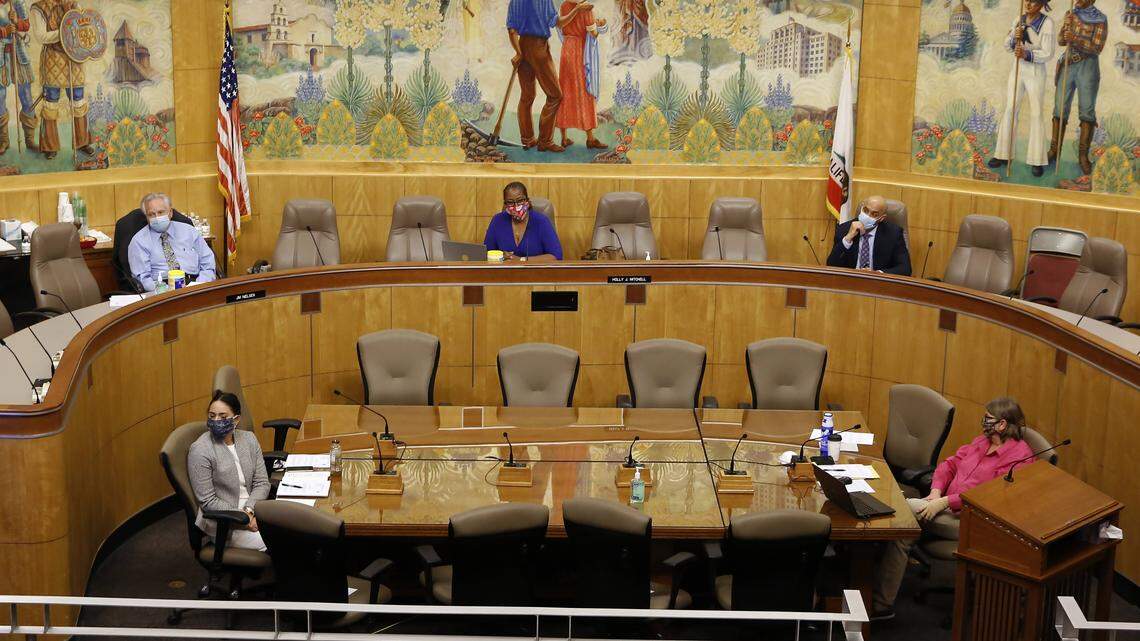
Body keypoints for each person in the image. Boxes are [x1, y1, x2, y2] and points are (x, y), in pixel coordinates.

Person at [871, 397, 1036, 620]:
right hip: (945, 509)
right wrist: (936, 492)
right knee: (903, 530)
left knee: (903, 509)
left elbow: (991, 496)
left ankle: (874, 597)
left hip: (976, 522)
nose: (983, 422)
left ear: (1003, 424)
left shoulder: (1019, 457)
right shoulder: (981, 442)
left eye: (988, 418)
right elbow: (948, 465)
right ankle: (881, 603)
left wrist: (946, 502)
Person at [506, 0, 593, 152]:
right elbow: (558, 23)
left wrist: (518, 52)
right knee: (555, 95)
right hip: (539, 47)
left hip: (523, 45)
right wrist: (577, 9)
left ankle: (527, 140)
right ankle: (545, 141)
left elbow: (512, 30)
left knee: (527, 96)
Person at [187, 391, 269, 552]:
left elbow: (262, 483)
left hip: (254, 510)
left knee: (294, 529)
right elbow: (208, 501)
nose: (216, 420)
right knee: (280, 542)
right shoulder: (200, 450)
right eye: (212, 416)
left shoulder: (249, 439)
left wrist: (249, 510)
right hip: (225, 523)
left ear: (236, 419)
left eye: (223, 417)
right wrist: (244, 519)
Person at [987, 0, 1055, 178]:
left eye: (1034, 1)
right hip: (1017, 68)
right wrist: (1013, 38)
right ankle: (1003, 155)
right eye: (1028, 0)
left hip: (1035, 70)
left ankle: (1037, 160)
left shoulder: (1047, 23)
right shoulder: (1019, 18)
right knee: (1010, 108)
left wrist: (1028, 53)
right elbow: (1006, 45)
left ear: (1041, 4)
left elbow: (1048, 52)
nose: (1029, 4)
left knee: (1036, 113)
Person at [29, 0, 94, 160]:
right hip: (53, 59)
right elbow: (41, 36)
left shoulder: (73, 4)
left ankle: (82, 142)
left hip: (73, 57)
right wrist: (65, 31)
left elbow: (82, 28)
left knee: (78, 100)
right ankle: (50, 146)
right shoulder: (39, 8)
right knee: (51, 102)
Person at [1048, 0, 1106, 176]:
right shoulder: (1070, 14)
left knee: (1087, 112)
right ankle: (1054, 150)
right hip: (1068, 64)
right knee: (1059, 109)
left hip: (1088, 66)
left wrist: (1076, 39)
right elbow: (1060, 41)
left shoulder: (1100, 19)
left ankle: (1083, 156)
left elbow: (1097, 47)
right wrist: (1066, 31)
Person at [127, 192, 217, 292]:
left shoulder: (189, 231)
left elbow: (208, 263)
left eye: (161, 212)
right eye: (151, 214)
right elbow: (143, 279)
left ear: (170, 213)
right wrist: (165, 291)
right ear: (146, 217)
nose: (157, 217)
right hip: (161, 290)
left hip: (195, 285)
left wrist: (199, 285)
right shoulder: (139, 241)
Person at [555, 0, 607, 149]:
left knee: (565, 90)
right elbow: (594, 33)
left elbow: (561, 26)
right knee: (584, 91)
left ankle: (564, 138)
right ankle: (590, 139)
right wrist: (602, 25)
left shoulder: (564, 5)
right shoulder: (587, 8)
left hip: (567, 50)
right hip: (581, 52)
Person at [825, 195, 911, 275]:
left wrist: (877, 274)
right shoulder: (844, 229)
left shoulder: (893, 234)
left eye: (874, 214)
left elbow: (905, 268)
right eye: (866, 210)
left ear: (881, 218)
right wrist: (847, 239)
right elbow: (831, 264)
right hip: (851, 282)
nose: (867, 216)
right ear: (861, 209)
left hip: (878, 284)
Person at [483, 181, 562, 262]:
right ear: (505, 204)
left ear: (527, 201)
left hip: (536, 272)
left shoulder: (541, 221)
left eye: (520, 200)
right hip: (504, 272)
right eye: (510, 202)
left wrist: (521, 260)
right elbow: (485, 253)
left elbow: (556, 256)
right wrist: (501, 256)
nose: (516, 206)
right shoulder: (498, 220)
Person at [0, 0, 36, 155]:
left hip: (18, 51)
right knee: (0, 97)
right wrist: (4, 31)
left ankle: (29, 140)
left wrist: (16, 21)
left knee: (26, 95)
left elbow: (26, 25)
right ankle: (3, 140)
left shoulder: (17, 2)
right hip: (1, 54)